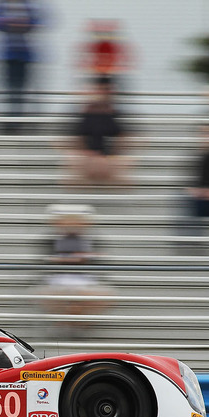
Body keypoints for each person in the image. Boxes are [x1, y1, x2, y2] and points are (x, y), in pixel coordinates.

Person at [37, 204, 114, 339]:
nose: (71, 223)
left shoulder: (94, 240)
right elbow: (44, 261)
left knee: (97, 295)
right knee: (48, 295)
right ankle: (69, 324)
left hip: (86, 279)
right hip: (56, 279)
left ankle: (76, 324)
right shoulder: (47, 240)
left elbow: (99, 262)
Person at [0, 0, 44, 133]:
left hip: (25, 55)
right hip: (6, 55)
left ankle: (19, 123)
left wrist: (21, 23)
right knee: (6, 90)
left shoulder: (28, 4)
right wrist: (9, 22)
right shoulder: (0, 4)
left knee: (21, 91)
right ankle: (3, 122)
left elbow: (39, 21)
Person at [66, 75, 129, 186]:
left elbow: (122, 137)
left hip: (108, 157)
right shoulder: (84, 113)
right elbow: (77, 137)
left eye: (107, 90)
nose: (104, 94)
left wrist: (109, 156)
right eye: (101, 90)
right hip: (88, 156)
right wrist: (90, 155)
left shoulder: (116, 114)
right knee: (76, 160)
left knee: (119, 164)